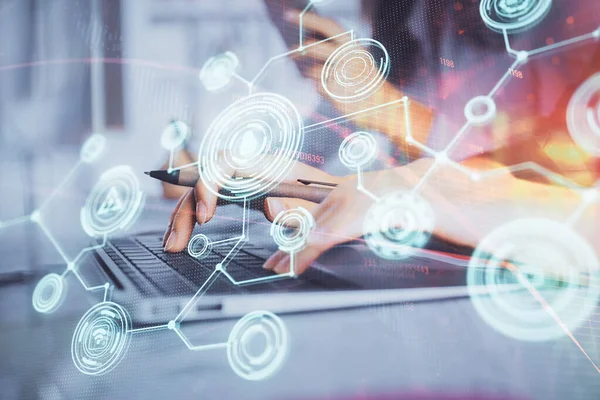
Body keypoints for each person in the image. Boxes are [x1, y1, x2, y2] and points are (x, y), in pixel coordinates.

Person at [163, 0, 600, 276]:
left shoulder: (559, 24)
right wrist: (223, 169)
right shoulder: (405, 30)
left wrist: (387, 109)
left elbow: (545, 180)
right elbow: (315, 152)